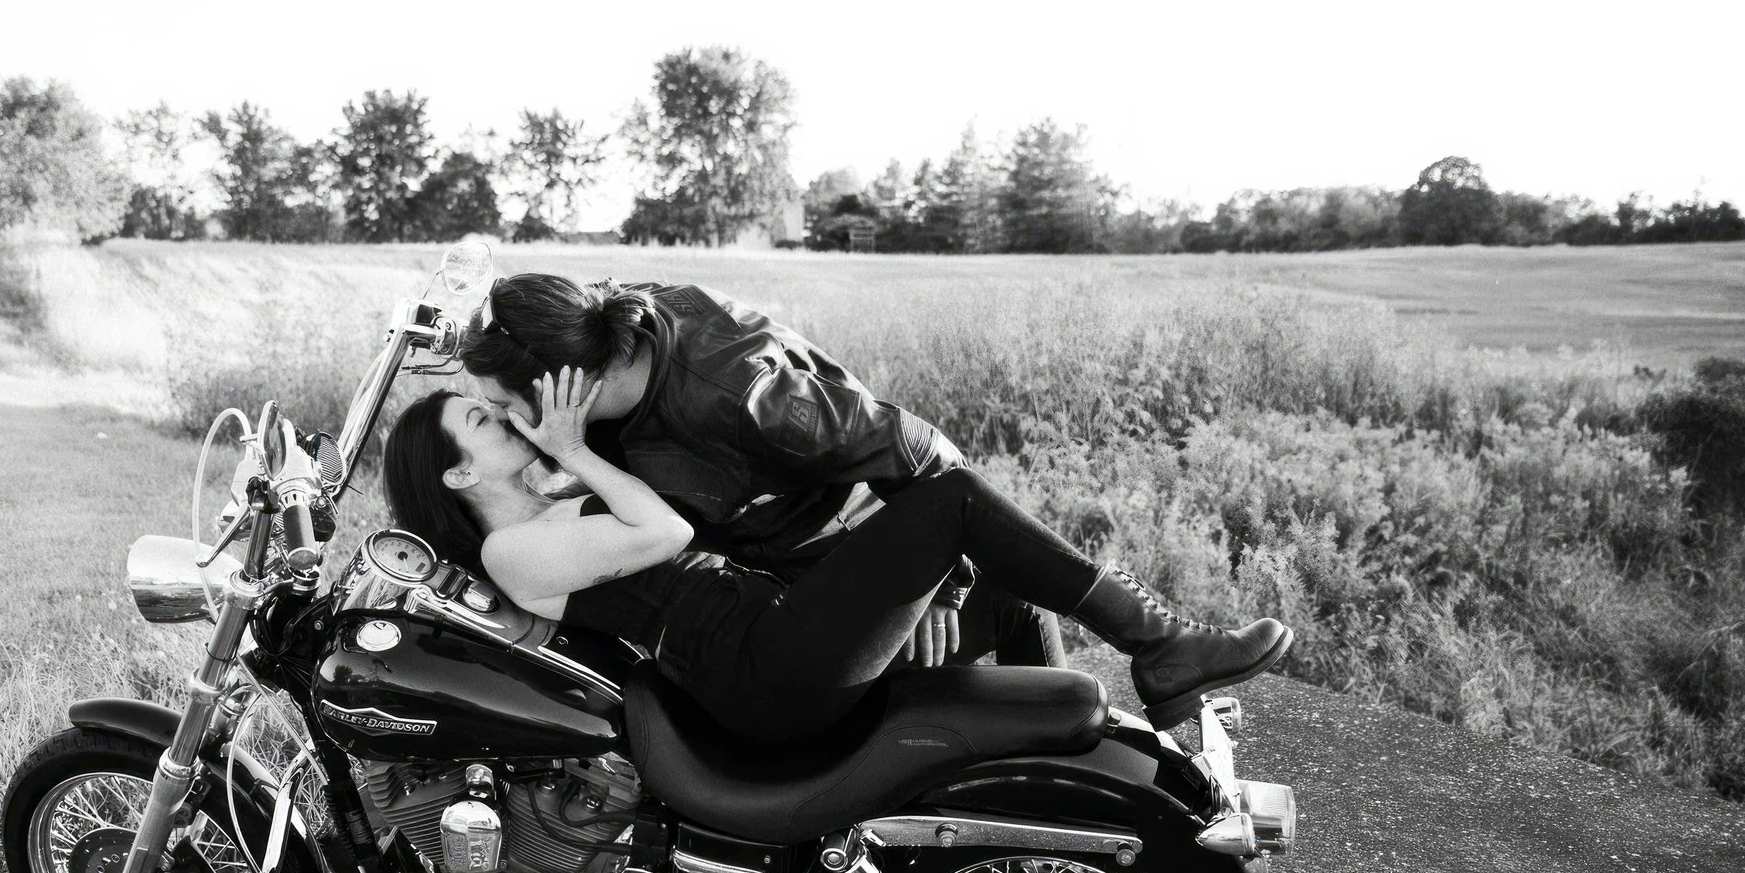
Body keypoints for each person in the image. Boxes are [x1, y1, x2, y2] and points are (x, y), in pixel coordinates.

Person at [449, 272, 1289, 726]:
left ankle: (1147, 666)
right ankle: (1073, 746)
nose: (497, 412)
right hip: (798, 585)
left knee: (984, 548)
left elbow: (922, 452)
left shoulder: (740, 389)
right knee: (1016, 594)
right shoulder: (603, 375)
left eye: (495, 397)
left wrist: (941, 586)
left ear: (562, 383)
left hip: (851, 545)